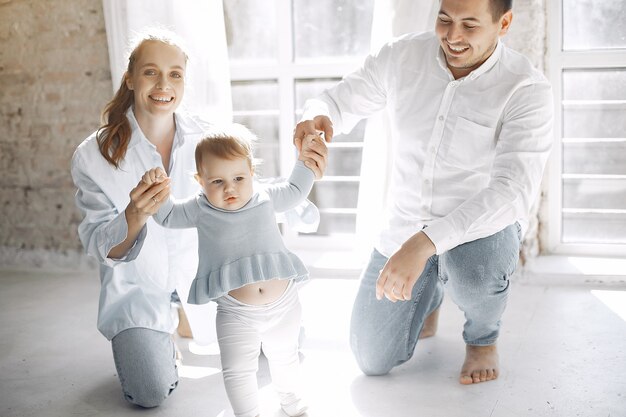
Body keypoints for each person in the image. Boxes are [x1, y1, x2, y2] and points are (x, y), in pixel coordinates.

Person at [294, 0, 553, 385]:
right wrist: (314, 118)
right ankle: (428, 295)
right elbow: (337, 100)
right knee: (371, 359)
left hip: (479, 229)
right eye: (444, 20)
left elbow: (511, 192)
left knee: (476, 277)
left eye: (469, 25)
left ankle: (483, 337)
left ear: (505, 23)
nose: (452, 36)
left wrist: (425, 243)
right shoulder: (402, 55)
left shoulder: (527, 87)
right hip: (404, 224)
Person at [70, 29, 328, 408]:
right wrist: (135, 214)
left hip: (208, 277)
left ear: (184, 81)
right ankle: (164, 333)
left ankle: (187, 318)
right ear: (130, 77)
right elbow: (99, 244)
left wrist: (304, 180)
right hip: (138, 285)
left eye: (175, 74)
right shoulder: (92, 155)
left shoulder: (208, 134)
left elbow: (252, 188)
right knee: (148, 393)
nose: (163, 84)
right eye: (150, 72)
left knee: (287, 343)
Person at [140, 125, 318, 417]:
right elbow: (168, 216)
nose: (230, 188)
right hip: (236, 312)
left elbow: (296, 190)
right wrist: (156, 188)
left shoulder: (265, 197)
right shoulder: (200, 209)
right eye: (217, 181)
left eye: (238, 178)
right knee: (237, 370)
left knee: (285, 357)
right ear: (200, 181)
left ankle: (291, 403)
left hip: (285, 305)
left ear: (251, 172)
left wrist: (306, 159)